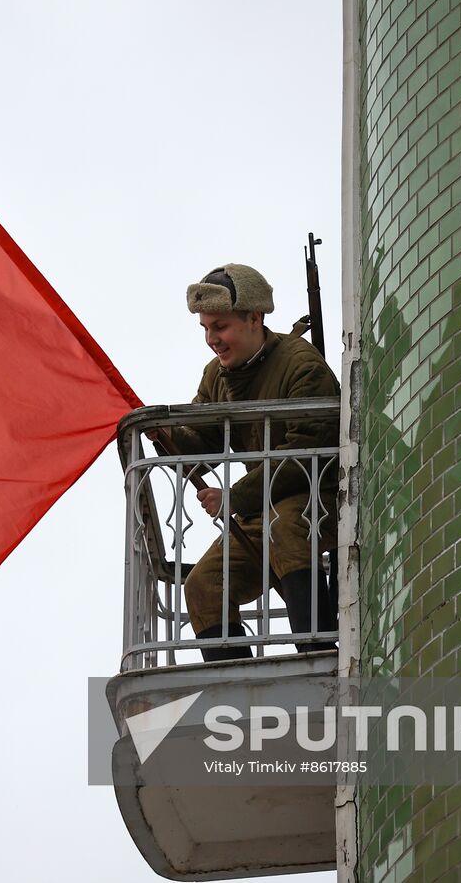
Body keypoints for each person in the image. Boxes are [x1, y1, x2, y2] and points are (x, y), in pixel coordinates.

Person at [157, 264, 339, 661]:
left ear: (254, 318)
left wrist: (234, 498)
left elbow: (304, 455)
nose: (212, 340)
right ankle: (235, 682)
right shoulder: (217, 376)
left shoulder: (301, 365)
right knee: (203, 584)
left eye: (220, 327)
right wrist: (167, 435)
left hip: (320, 498)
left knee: (285, 529)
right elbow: (202, 439)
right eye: (206, 329)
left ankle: (319, 655)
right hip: (264, 509)